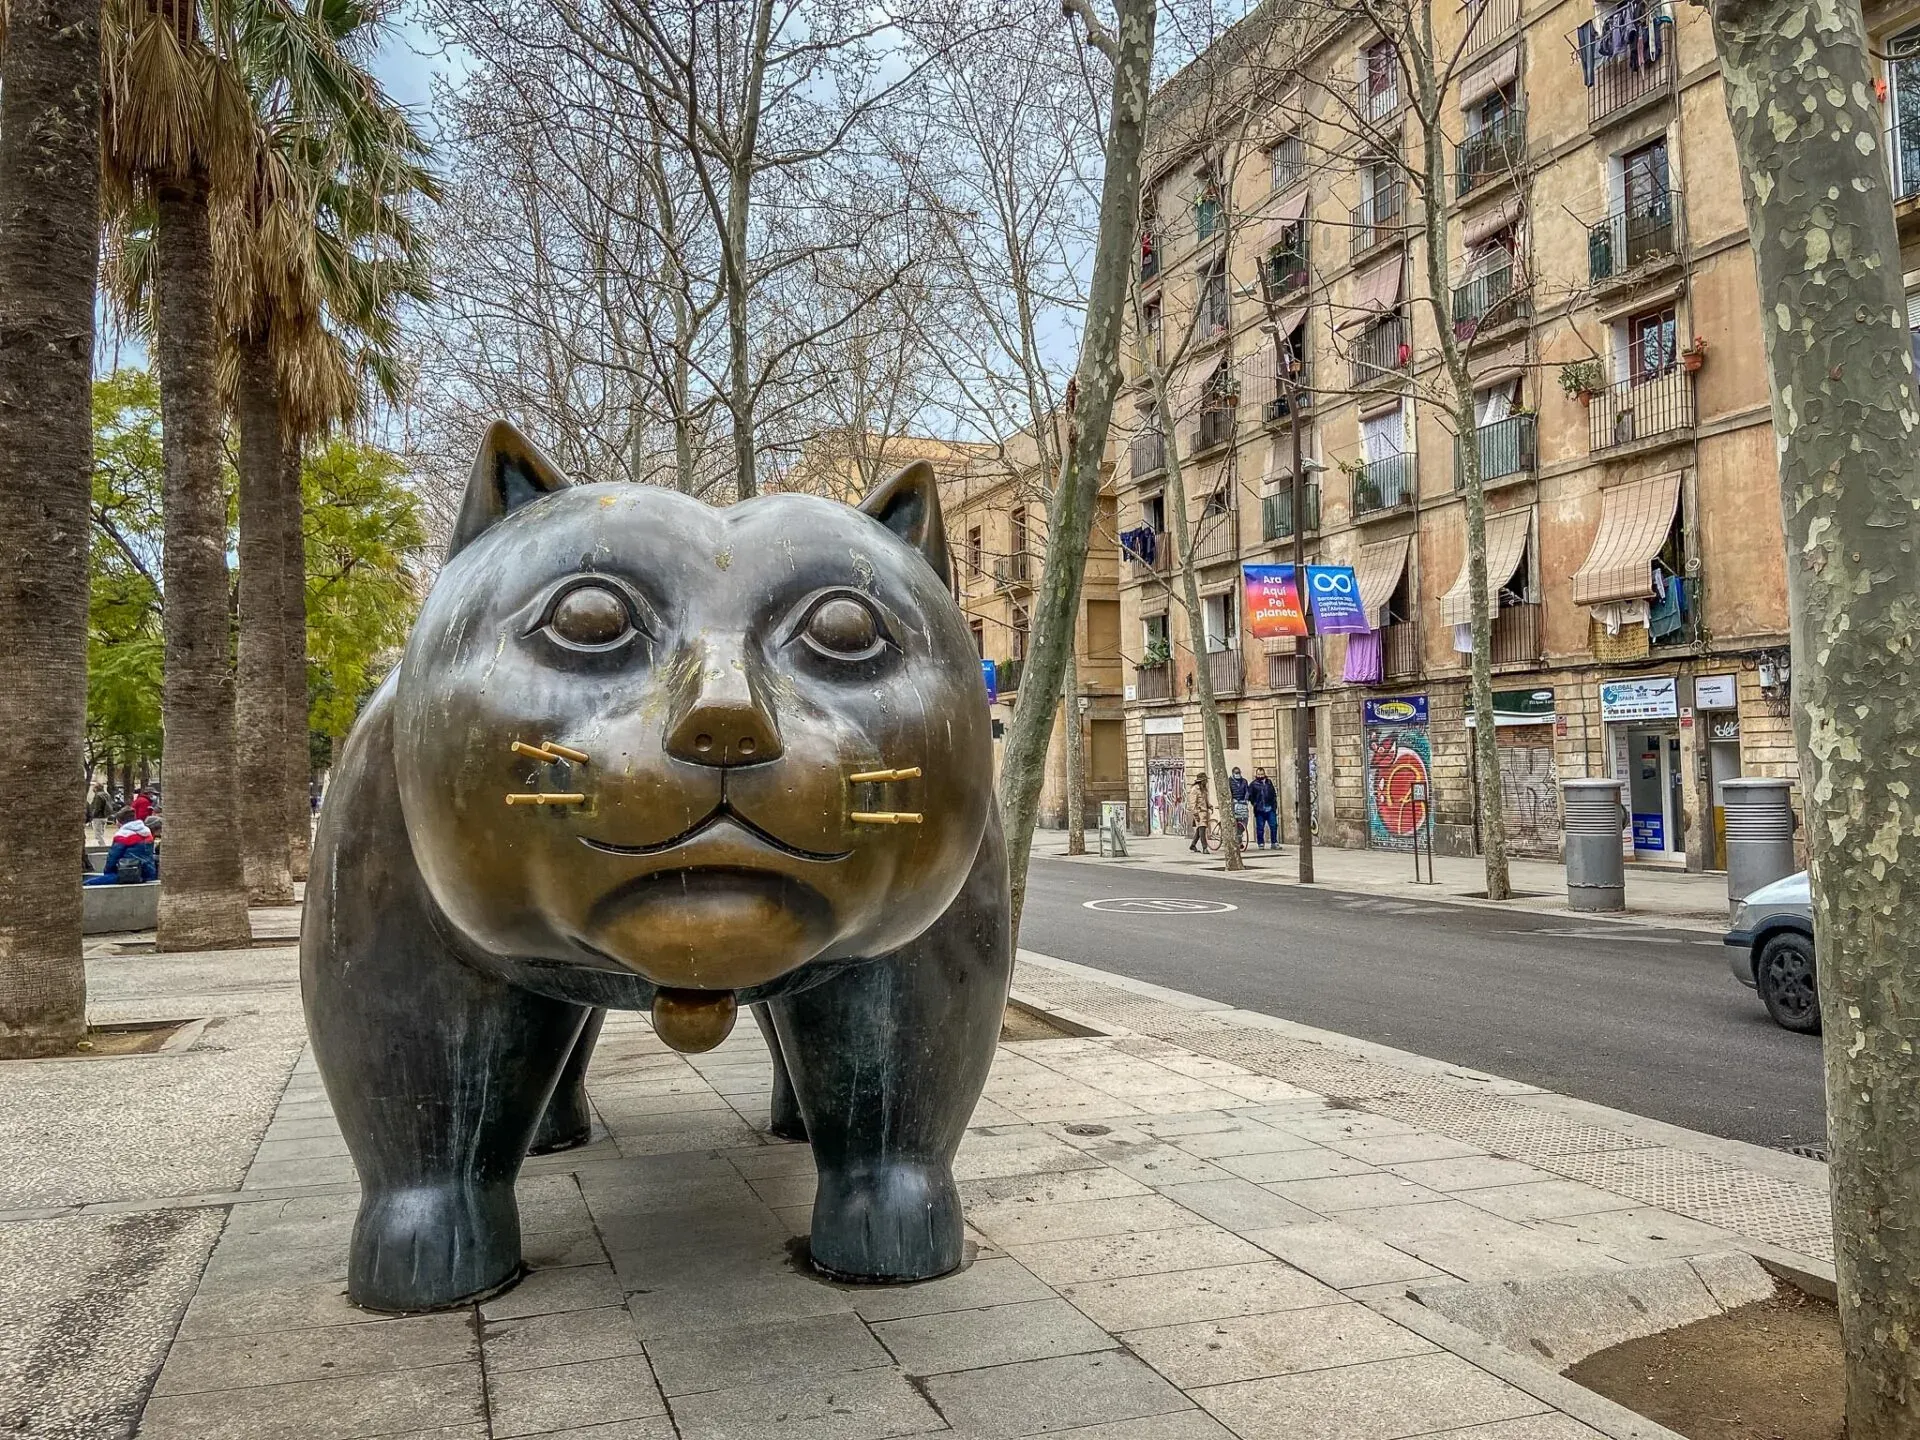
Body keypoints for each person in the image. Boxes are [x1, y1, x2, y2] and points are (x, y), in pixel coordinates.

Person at [85, 808, 158, 886]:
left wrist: (107, 873)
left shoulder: (123, 835)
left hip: (129, 873)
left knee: (88, 883)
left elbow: (112, 858)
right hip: (148, 873)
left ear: (119, 822)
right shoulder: (146, 832)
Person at [1249, 768, 1280, 850]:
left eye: (1262, 774)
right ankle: (1261, 843)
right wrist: (1255, 804)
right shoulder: (1253, 784)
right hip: (1259, 809)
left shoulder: (1269, 782)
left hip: (1270, 808)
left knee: (1273, 825)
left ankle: (1274, 842)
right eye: (1259, 774)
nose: (1260, 776)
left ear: (1264, 774)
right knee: (1260, 827)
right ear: (1256, 774)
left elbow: (1273, 794)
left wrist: (1274, 805)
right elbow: (1250, 796)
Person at [1187, 775, 1213, 853]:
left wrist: (1209, 806)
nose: (1206, 782)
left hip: (1204, 812)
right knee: (1202, 829)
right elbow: (1192, 803)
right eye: (1205, 780)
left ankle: (1193, 845)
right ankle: (1204, 847)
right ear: (1201, 781)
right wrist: (1195, 814)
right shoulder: (1195, 789)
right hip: (1199, 812)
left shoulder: (1204, 789)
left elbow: (1205, 800)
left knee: (1199, 829)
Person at [1228, 767, 1250, 845]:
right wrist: (1231, 800)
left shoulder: (1244, 781)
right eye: (1236, 773)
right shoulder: (1229, 781)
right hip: (1233, 803)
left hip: (1242, 803)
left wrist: (1246, 799)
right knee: (1234, 822)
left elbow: (1247, 791)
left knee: (1244, 820)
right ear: (1233, 773)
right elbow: (1228, 792)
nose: (1238, 774)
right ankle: (1237, 841)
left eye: (1239, 773)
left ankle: (1239, 836)